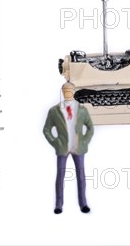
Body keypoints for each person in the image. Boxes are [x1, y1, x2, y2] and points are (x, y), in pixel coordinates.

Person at [43, 82, 94, 214]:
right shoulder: (54, 111)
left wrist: (85, 141)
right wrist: (55, 142)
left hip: (79, 147)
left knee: (81, 176)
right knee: (60, 175)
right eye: (65, 90)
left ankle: (83, 203)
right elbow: (47, 129)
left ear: (74, 91)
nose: (68, 92)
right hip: (62, 147)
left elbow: (90, 127)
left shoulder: (82, 110)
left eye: (70, 90)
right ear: (62, 91)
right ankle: (58, 204)